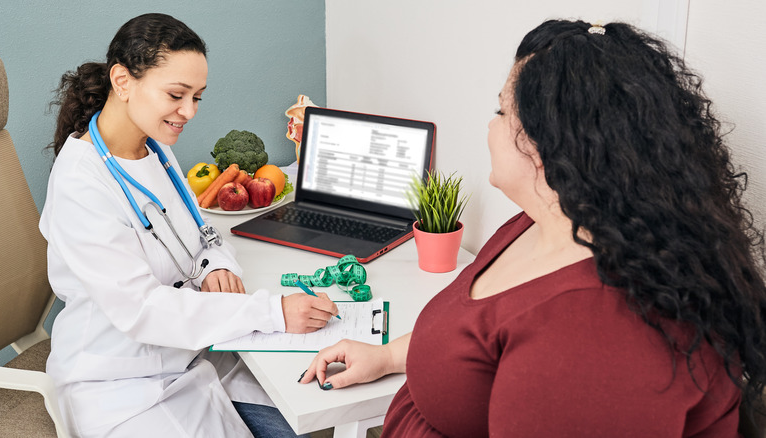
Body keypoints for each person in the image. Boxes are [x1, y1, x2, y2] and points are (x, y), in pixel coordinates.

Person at [301, 19, 766, 437]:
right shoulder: (542, 221)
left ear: (547, 144)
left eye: (502, 111)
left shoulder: (592, 336)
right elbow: (478, 336)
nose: (490, 124)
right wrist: (386, 356)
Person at [41, 13, 338, 437]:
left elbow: (202, 232)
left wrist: (215, 264)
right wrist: (272, 311)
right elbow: (143, 308)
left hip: (194, 354)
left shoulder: (156, 151)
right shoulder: (79, 184)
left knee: (309, 411)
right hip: (119, 381)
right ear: (122, 82)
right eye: (177, 95)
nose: (189, 112)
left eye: (197, 97)